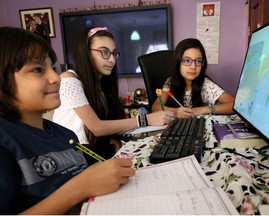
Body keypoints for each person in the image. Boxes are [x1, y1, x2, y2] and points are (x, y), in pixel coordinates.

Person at [0, 26, 135, 215]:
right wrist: (81, 187)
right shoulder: (5, 141)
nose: (56, 77)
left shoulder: (65, 135)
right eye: (38, 69)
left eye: (53, 68)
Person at [53, 27, 174, 162]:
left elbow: (106, 124)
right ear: (86, 53)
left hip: (93, 148)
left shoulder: (100, 85)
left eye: (114, 53)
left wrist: (113, 138)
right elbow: (97, 127)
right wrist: (146, 119)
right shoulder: (69, 79)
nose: (112, 60)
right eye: (104, 52)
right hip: (72, 156)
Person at [152, 38, 235, 118]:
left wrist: (201, 110)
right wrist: (175, 112)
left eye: (198, 61)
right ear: (178, 62)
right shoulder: (170, 82)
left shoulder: (205, 84)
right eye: (187, 61)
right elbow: (155, 107)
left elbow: (235, 105)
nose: (193, 67)